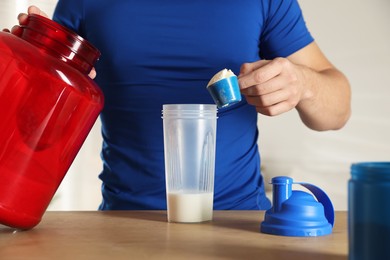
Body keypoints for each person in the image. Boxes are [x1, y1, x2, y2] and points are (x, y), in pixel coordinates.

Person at [9, 1, 351, 210]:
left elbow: (337, 112)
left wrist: (304, 83)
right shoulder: (85, 1)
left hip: (239, 223)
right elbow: (34, 131)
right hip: (125, 226)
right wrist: (27, 64)